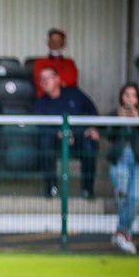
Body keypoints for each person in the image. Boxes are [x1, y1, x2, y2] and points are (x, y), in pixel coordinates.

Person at [34, 66, 100, 198]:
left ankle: (87, 189)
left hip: (79, 138)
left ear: (58, 79)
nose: (45, 81)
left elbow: (92, 110)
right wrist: (59, 134)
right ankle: (51, 188)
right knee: (45, 142)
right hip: (57, 142)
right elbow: (40, 127)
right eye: (42, 79)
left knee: (89, 144)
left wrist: (93, 127)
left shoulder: (74, 94)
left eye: (49, 77)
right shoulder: (40, 104)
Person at [107, 82, 139, 254]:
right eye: (127, 95)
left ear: (138, 99)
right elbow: (109, 136)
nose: (130, 99)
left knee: (137, 198)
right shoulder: (114, 114)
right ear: (121, 97)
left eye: (133, 95)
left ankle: (121, 231)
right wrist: (120, 120)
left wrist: (137, 120)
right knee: (123, 195)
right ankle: (125, 235)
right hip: (120, 160)